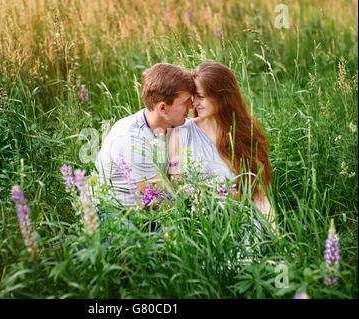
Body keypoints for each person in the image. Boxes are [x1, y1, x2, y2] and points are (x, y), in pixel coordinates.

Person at [168, 62, 276, 232]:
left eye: (201, 97)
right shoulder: (180, 134)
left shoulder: (245, 133)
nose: (194, 103)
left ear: (222, 96)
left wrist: (278, 240)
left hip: (241, 225)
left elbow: (260, 195)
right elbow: (175, 190)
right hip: (197, 229)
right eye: (193, 97)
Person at [95, 63, 195, 208]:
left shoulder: (175, 124)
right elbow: (167, 198)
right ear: (162, 108)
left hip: (152, 210)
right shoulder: (131, 139)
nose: (191, 106)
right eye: (185, 102)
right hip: (118, 212)